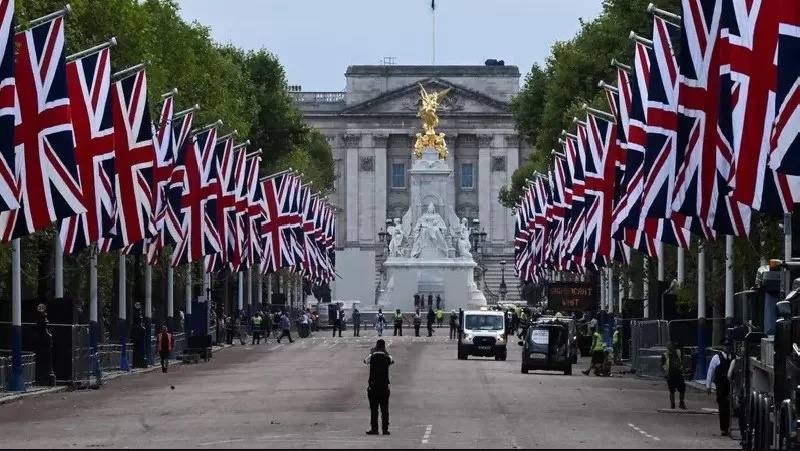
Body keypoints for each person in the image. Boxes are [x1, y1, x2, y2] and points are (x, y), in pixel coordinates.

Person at [364, 339, 394, 436]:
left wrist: (373, 352)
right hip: (384, 386)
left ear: (376, 346)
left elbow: (365, 361)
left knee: (374, 409)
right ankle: (385, 430)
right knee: (385, 409)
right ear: (384, 347)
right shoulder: (387, 357)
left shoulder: (372, 356)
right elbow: (392, 361)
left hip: (373, 386)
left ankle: (374, 429)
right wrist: (385, 352)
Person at [707, 340, 734, 436]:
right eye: (725, 346)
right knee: (723, 407)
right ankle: (724, 428)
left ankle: (730, 427)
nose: (727, 348)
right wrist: (708, 385)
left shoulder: (734, 358)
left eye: (729, 346)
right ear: (722, 347)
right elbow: (711, 370)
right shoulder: (716, 357)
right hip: (721, 385)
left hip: (731, 384)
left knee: (731, 406)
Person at [661, 341, 687, 410]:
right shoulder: (665, 355)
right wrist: (664, 373)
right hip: (670, 375)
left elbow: (683, 360)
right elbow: (662, 365)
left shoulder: (678, 353)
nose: (671, 349)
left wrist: (682, 367)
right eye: (669, 348)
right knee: (672, 391)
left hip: (679, 374)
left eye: (672, 348)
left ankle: (681, 403)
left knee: (682, 389)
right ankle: (672, 404)